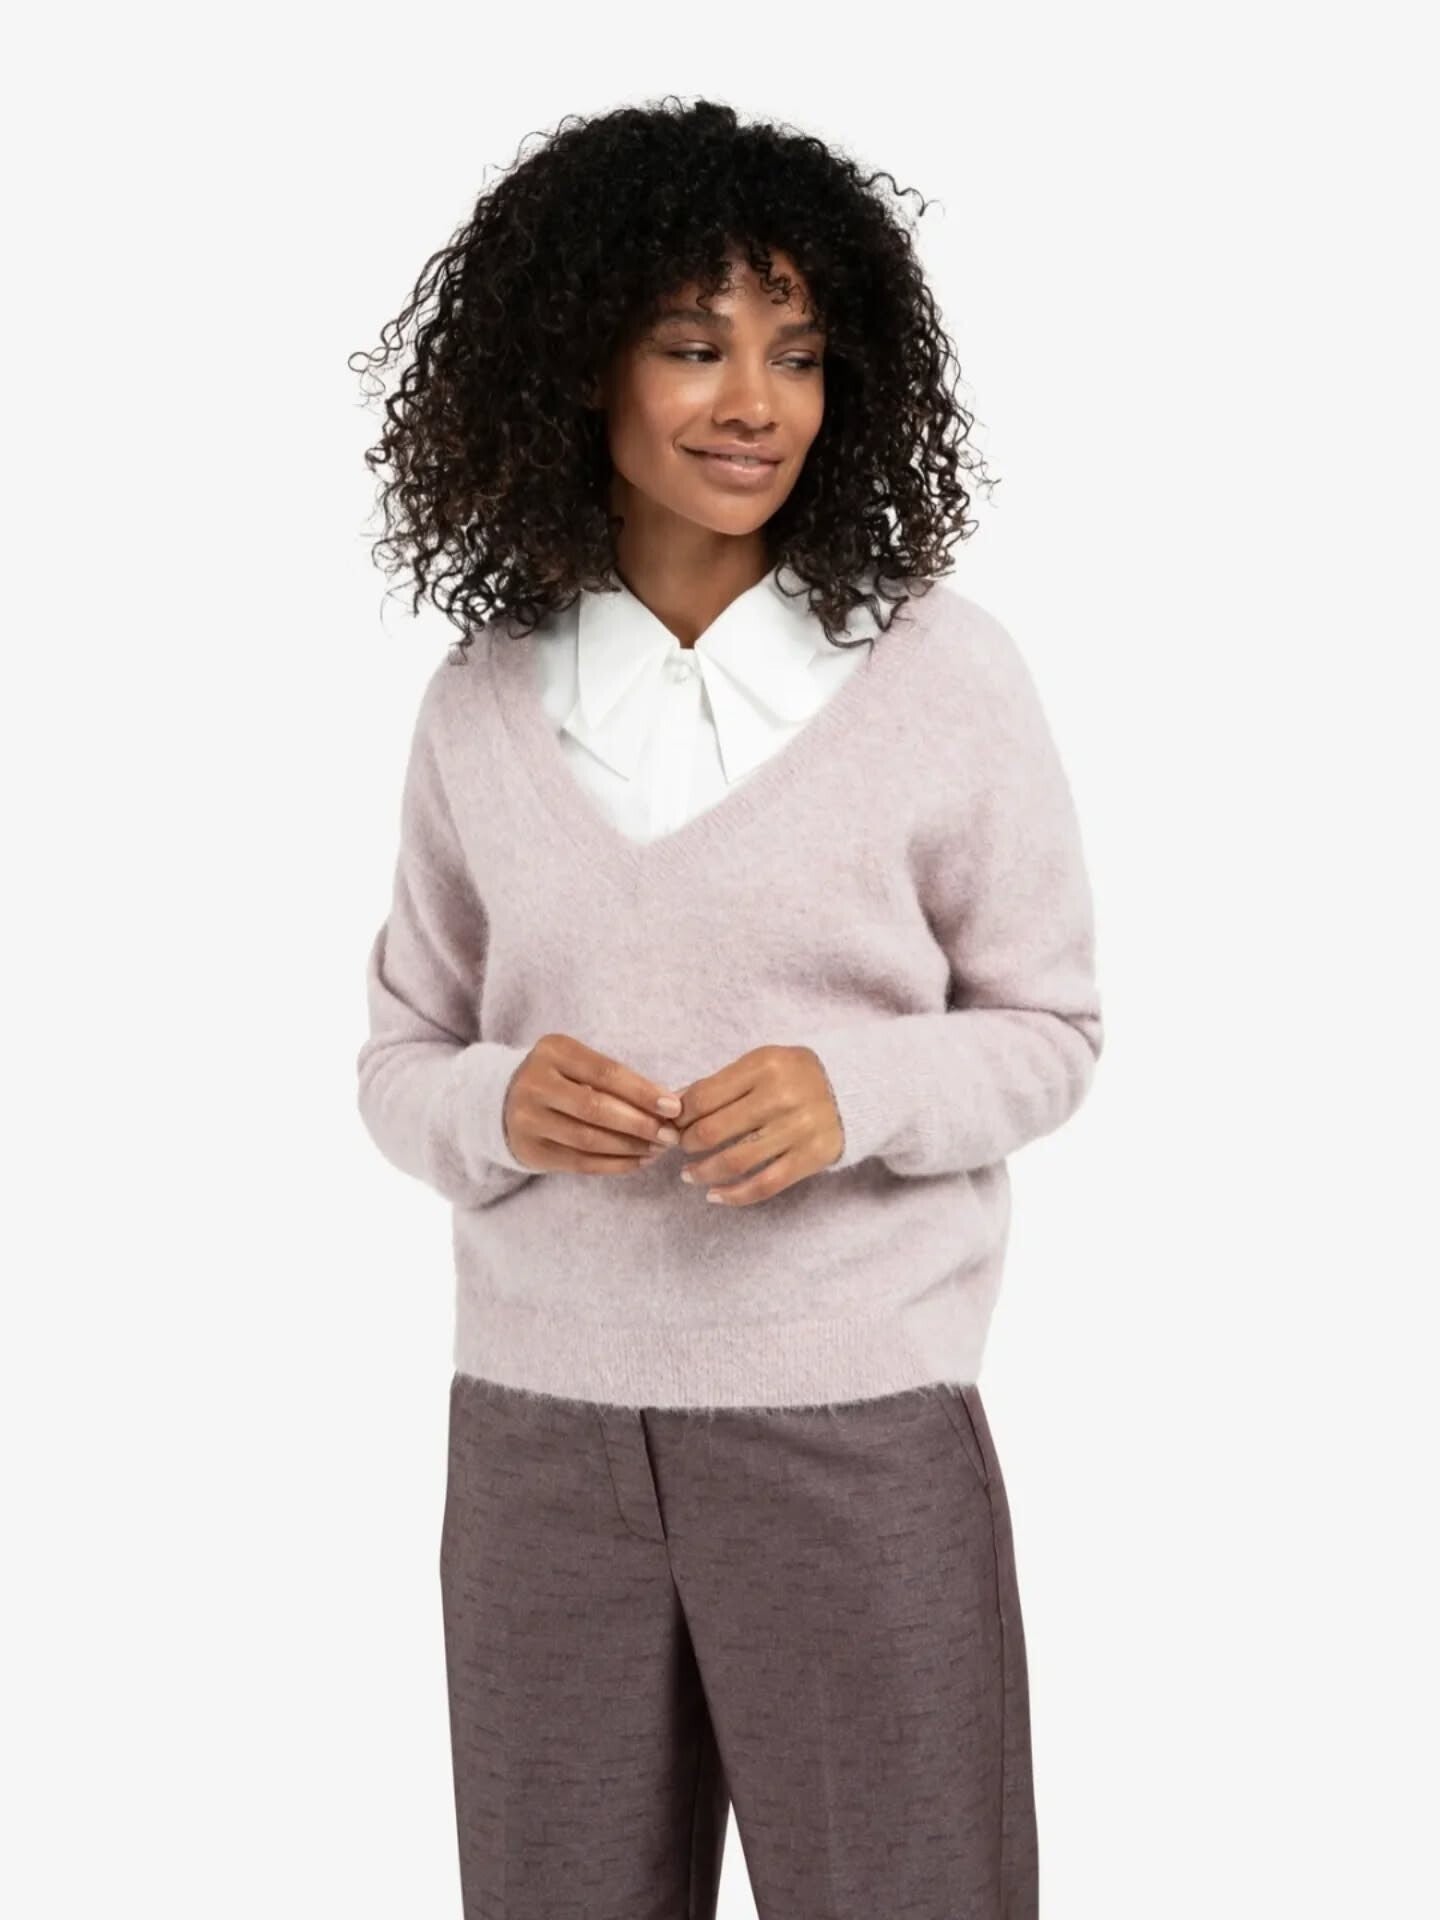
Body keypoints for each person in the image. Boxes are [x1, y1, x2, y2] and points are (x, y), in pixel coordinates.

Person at [351, 96, 1103, 1920]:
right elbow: (400, 1059)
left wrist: (857, 1091)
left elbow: (1052, 1029)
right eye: (694, 346)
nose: (754, 400)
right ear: (579, 365)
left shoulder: (940, 675)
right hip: (536, 1438)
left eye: (798, 352)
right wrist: (498, 1105)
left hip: (852, 1427)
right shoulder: (483, 698)